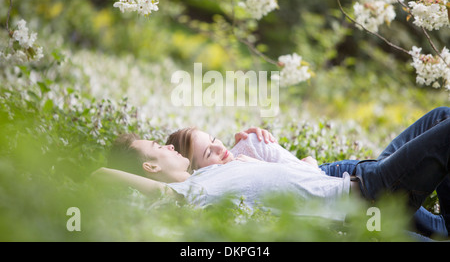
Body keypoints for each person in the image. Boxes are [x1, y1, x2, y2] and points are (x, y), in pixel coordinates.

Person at [94, 107, 450, 237]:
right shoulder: (196, 192)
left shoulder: (209, 177)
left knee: (441, 116)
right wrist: (102, 175)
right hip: (370, 195)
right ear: (150, 167)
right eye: (157, 148)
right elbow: (159, 193)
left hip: (361, 183)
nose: (166, 145)